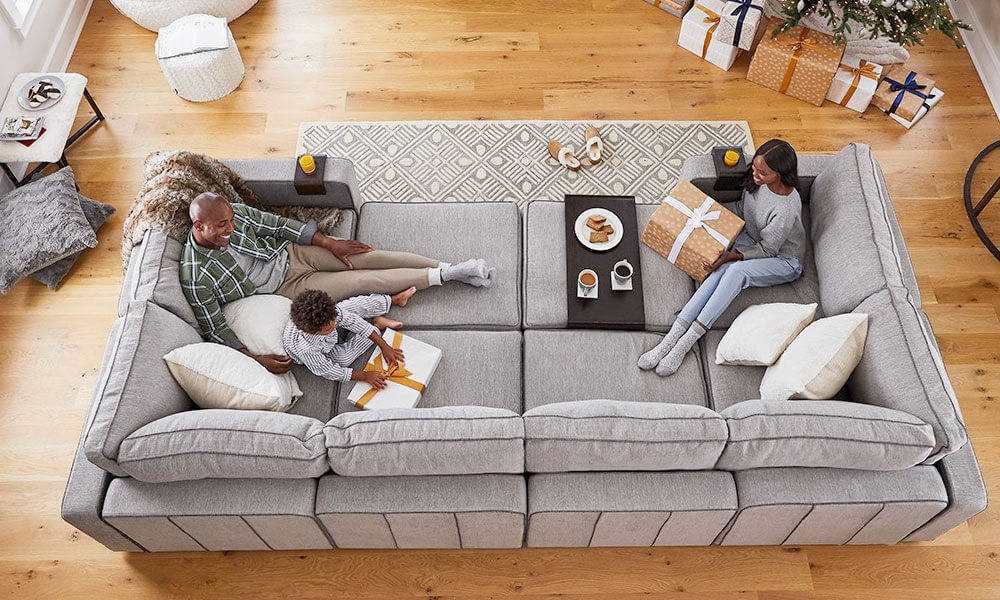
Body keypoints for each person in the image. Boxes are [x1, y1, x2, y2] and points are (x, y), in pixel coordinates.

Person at [180, 193, 494, 374]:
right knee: (365, 280)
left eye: (231, 221)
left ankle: (449, 267)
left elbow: (277, 226)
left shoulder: (232, 217)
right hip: (285, 289)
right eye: (222, 226)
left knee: (367, 256)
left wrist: (327, 241)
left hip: (291, 252)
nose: (231, 228)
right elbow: (216, 328)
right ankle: (445, 276)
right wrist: (256, 358)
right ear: (199, 226)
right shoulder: (196, 276)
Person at [638, 139, 807, 377]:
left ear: (780, 174)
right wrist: (709, 213)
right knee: (719, 266)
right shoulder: (758, 180)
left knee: (735, 270)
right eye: (755, 168)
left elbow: (769, 249)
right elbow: (742, 208)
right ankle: (671, 338)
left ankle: (686, 343)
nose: (755, 175)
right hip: (750, 237)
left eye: (763, 173)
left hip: (783, 259)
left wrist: (734, 256)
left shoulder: (786, 208)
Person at [282, 288, 412, 389]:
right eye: (328, 329)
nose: (334, 327)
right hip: (322, 350)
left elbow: (354, 322)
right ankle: (377, 324)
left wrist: (384, 345)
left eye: (334, 321)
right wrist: (365, 376)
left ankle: (392, 299)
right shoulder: (307, 349)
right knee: (343, 359)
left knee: (354, 305)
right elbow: (329, 371)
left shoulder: (330, 312)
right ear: (311, 331)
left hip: (322, 329)